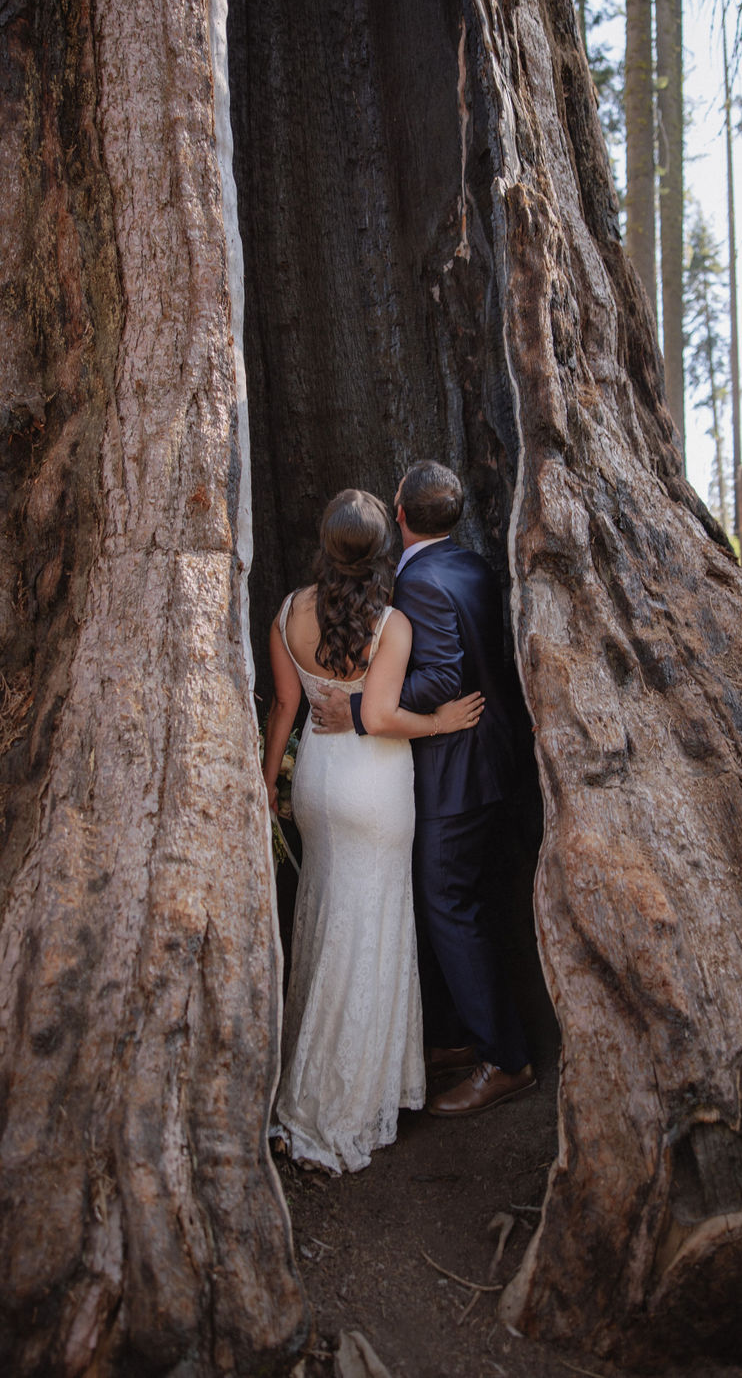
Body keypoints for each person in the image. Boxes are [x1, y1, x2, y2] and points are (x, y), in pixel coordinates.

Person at [261, 488, 484, 1173]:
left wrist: (268, 783)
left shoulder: (287, 611)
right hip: (376, 785)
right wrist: (442, 722)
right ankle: (344, 1103)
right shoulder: (392, 624)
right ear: (384, 547)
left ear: (324, 543)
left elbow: (285, 706)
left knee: (327, 916)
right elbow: (382, 715)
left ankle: (303, 1086)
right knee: (370, 928)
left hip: (319, 785)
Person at [312, 461, 534, 1117]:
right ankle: (456, 1036)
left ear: (400, 510)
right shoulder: (472, 566)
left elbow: (441, 674)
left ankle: (507, 1058)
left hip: (457, 770)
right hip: (486, 760)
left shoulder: (425, 584)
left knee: (449, 906)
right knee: (455, 903)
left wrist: (359, 708)